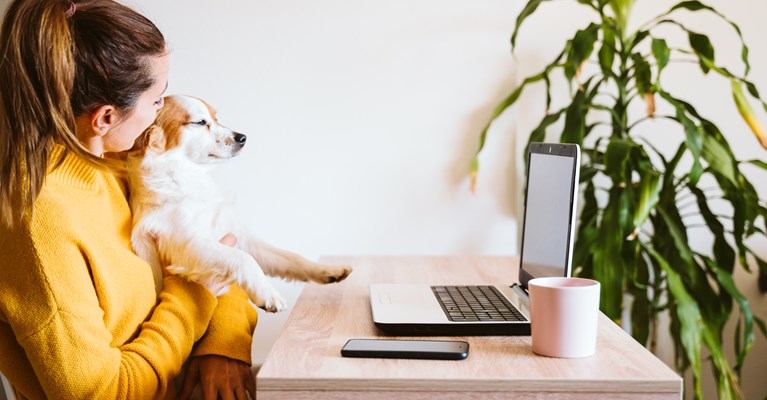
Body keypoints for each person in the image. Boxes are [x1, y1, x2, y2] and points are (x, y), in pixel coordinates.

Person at [0, 0, 258, 399]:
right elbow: (103, 392)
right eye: (157, 102)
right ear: (104, 118)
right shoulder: (36, 227)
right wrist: (194, 294)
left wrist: (223, 344)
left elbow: (218, 243)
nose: (160, 114)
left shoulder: (119, 163)